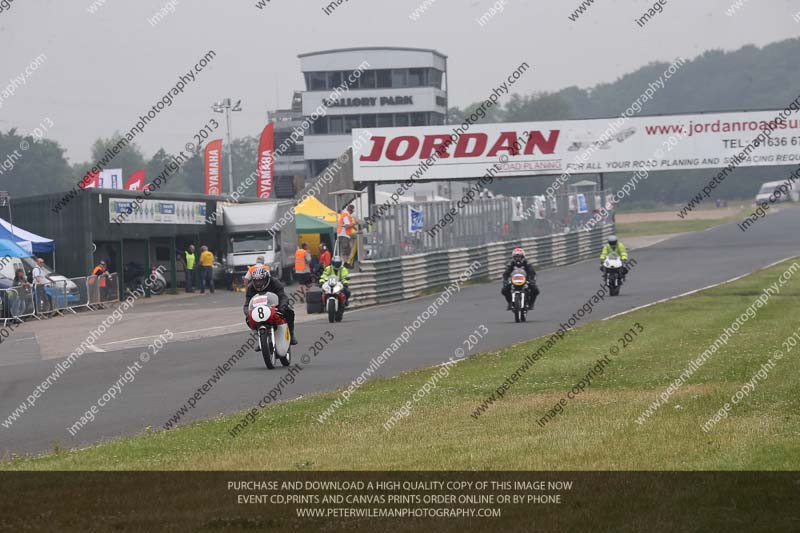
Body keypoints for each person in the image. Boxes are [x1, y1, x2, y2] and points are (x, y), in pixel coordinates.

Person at [243, 266, 297, 346]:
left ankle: (291, 335)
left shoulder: (275, 282)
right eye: (256, 281)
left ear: (267, 279)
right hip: (259, 308)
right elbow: (247, 303)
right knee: (248, 319)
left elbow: (283, 296)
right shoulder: (251, 287)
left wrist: (282, 307)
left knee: (289, 312)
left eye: (261, 280)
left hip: (274, 306)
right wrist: (248, 312)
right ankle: (261, 339)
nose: (258, 283)